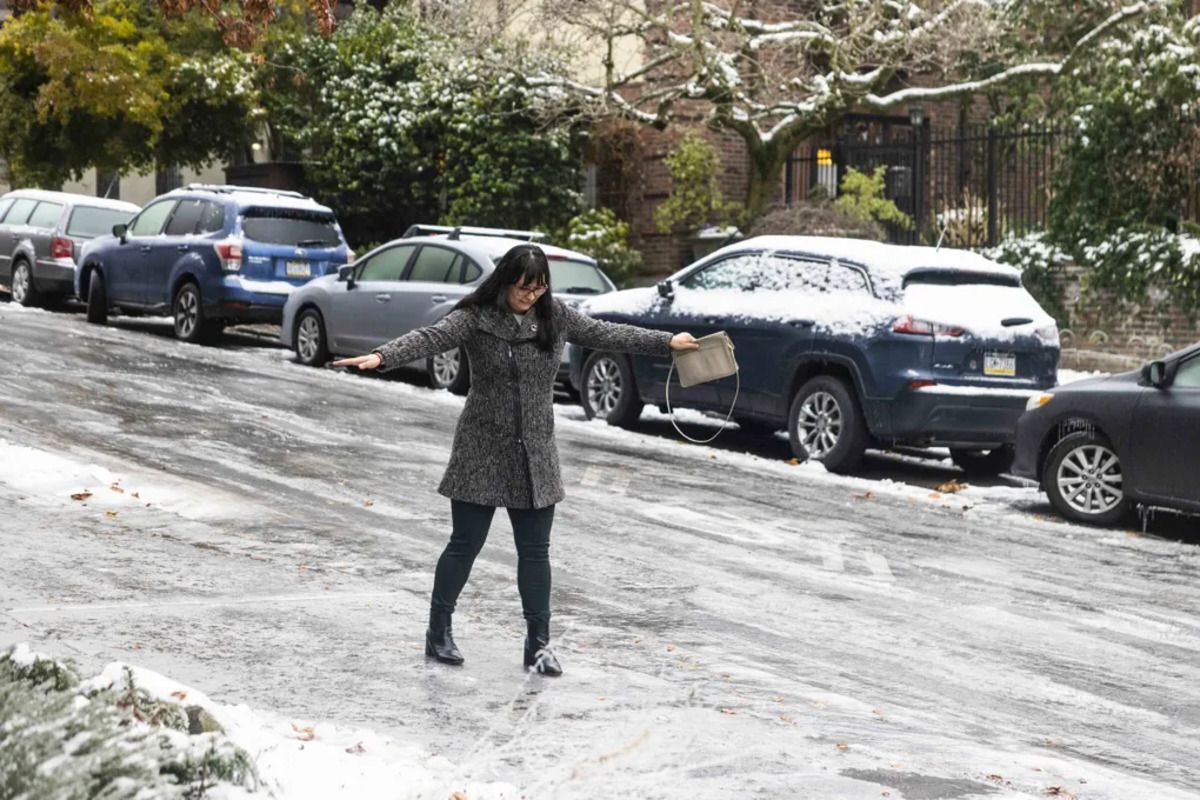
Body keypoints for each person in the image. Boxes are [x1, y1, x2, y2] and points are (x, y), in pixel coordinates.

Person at [333, 244, 699, 676]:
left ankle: (538, 645)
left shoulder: (555, 316)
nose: (531, 296)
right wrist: (382, 356)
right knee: (465, 545)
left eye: (539, 288)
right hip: (481, 448)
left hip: (535, 451)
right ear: (506, 282)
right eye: (524, 288)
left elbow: (607, 334)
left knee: (536, 552)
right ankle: (438, 631)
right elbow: (431, 337)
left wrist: (666, 342)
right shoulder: (476, 317)